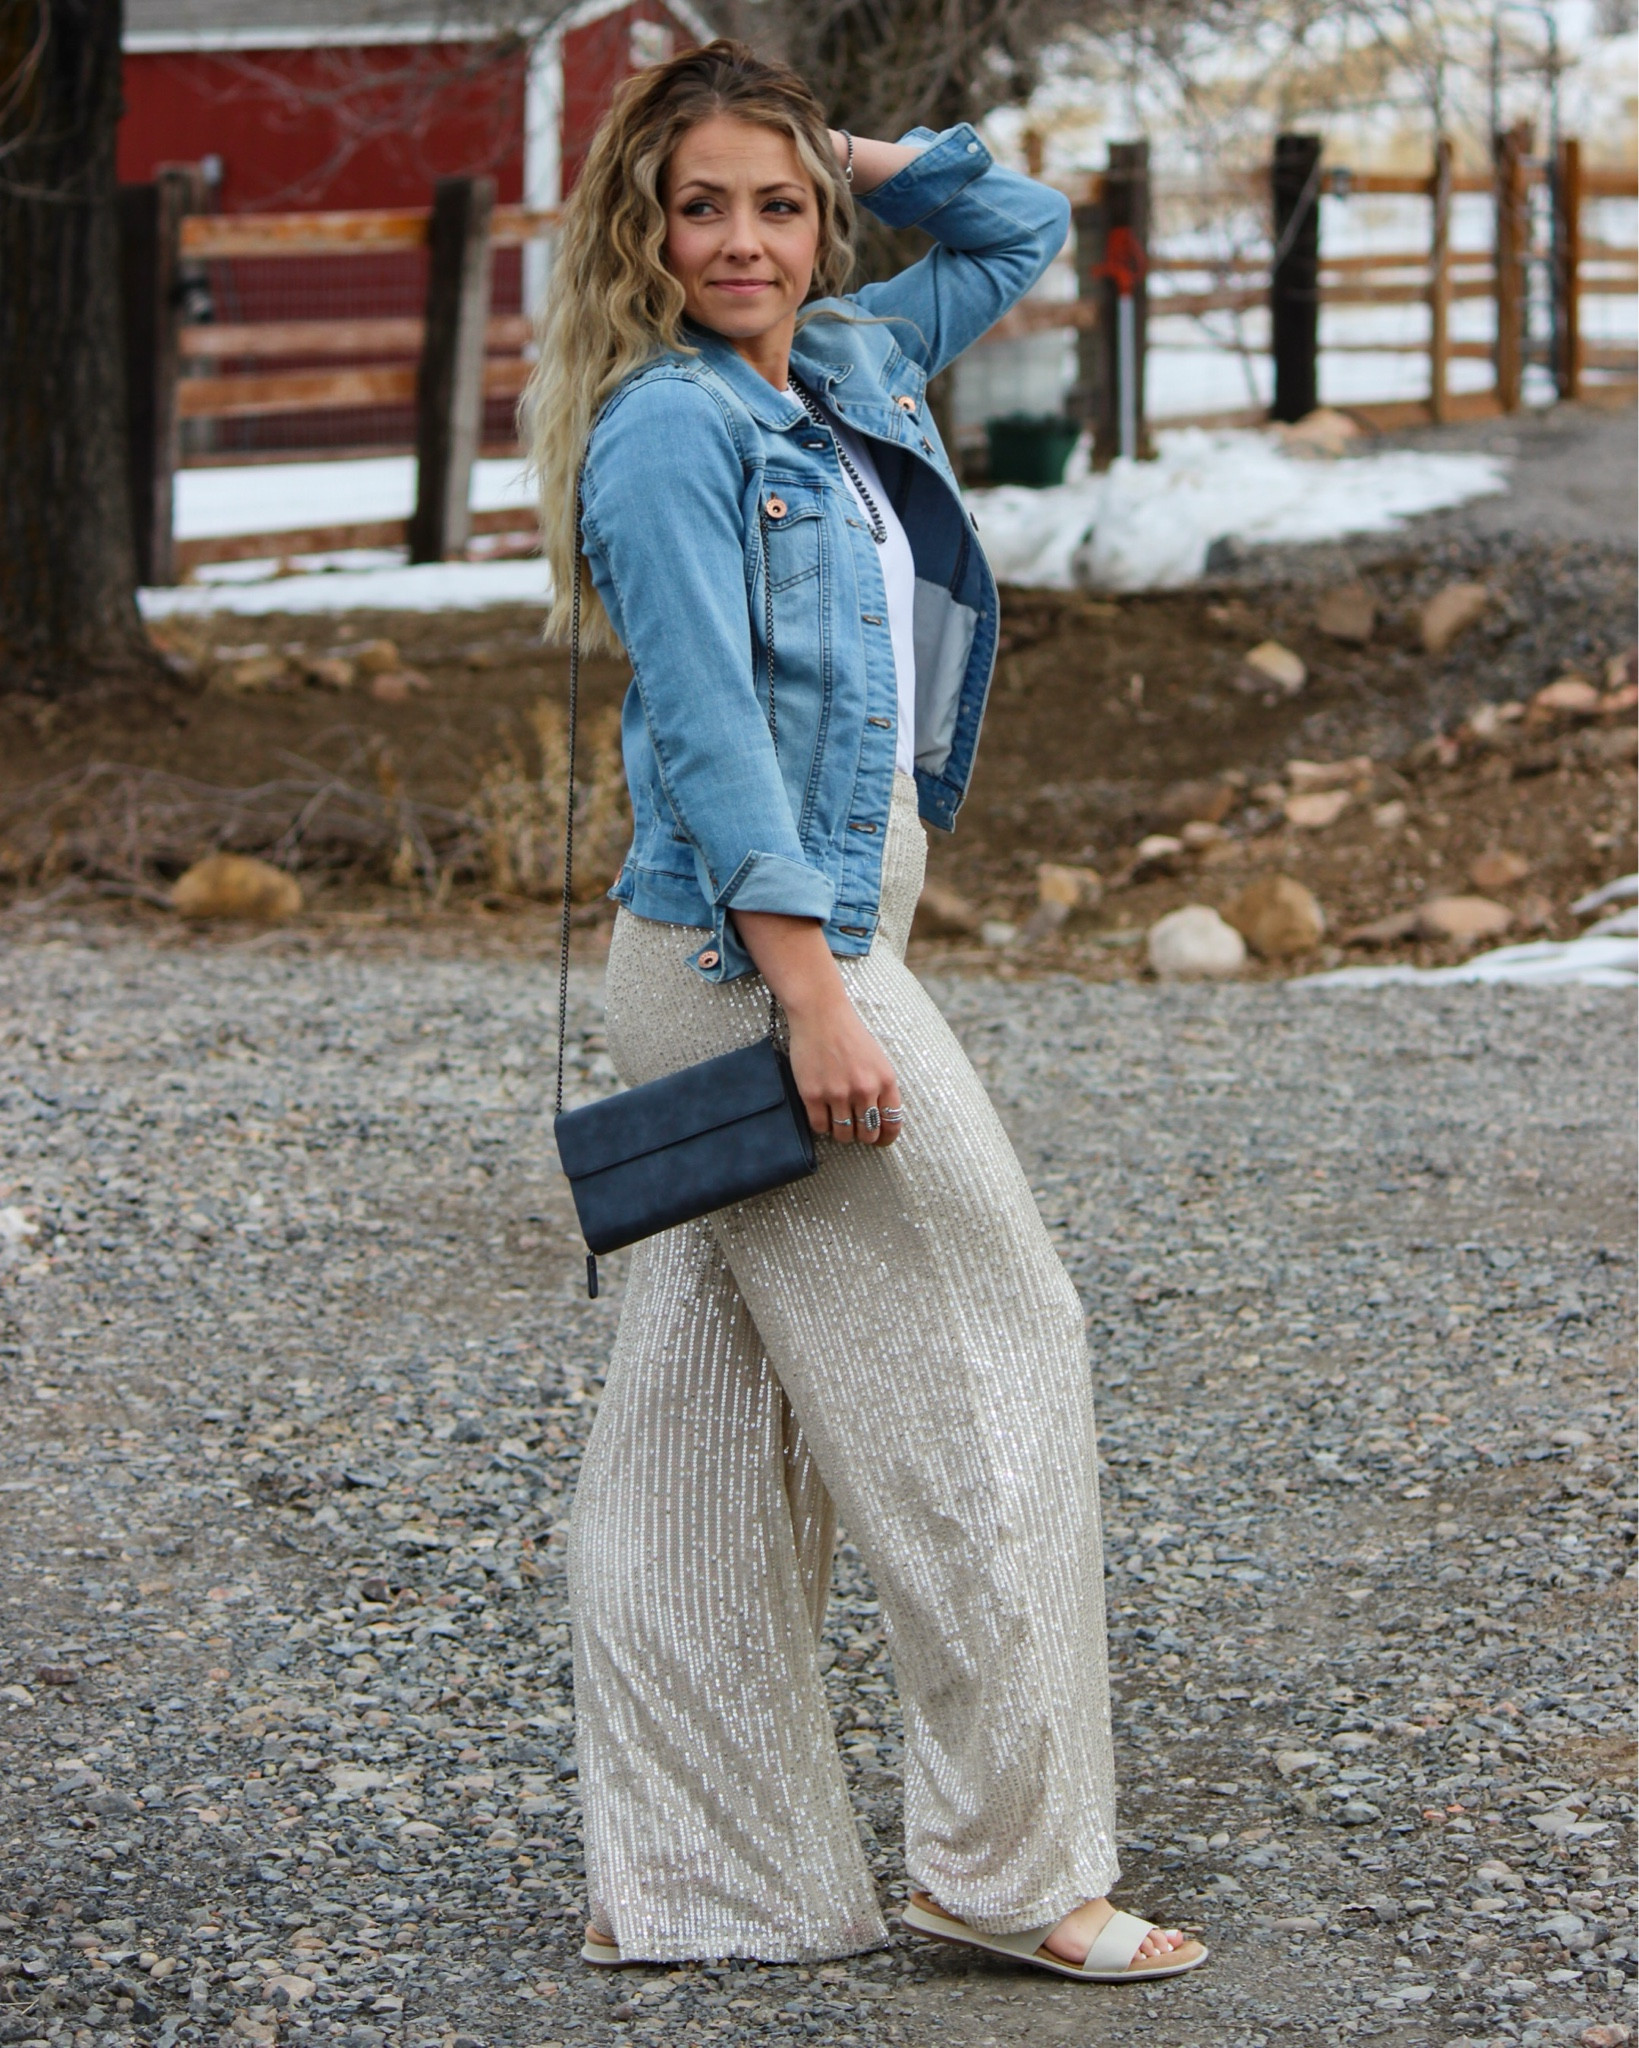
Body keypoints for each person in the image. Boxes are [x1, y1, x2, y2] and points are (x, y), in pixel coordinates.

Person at [524, 37, 1207, 1986]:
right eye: (700, 203)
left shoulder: (833, 366)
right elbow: (711, 727)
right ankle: (1004, 1875)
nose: (741, 238)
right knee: (997, 1347)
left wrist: (853, 146)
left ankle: (695, 1880)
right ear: (642, 230)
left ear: (820, 219)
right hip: (768, 958)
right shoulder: (674, 431)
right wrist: (814, 990)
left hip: (761, 950)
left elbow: (1016, 228)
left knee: (701, 1425)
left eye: (778, 203)